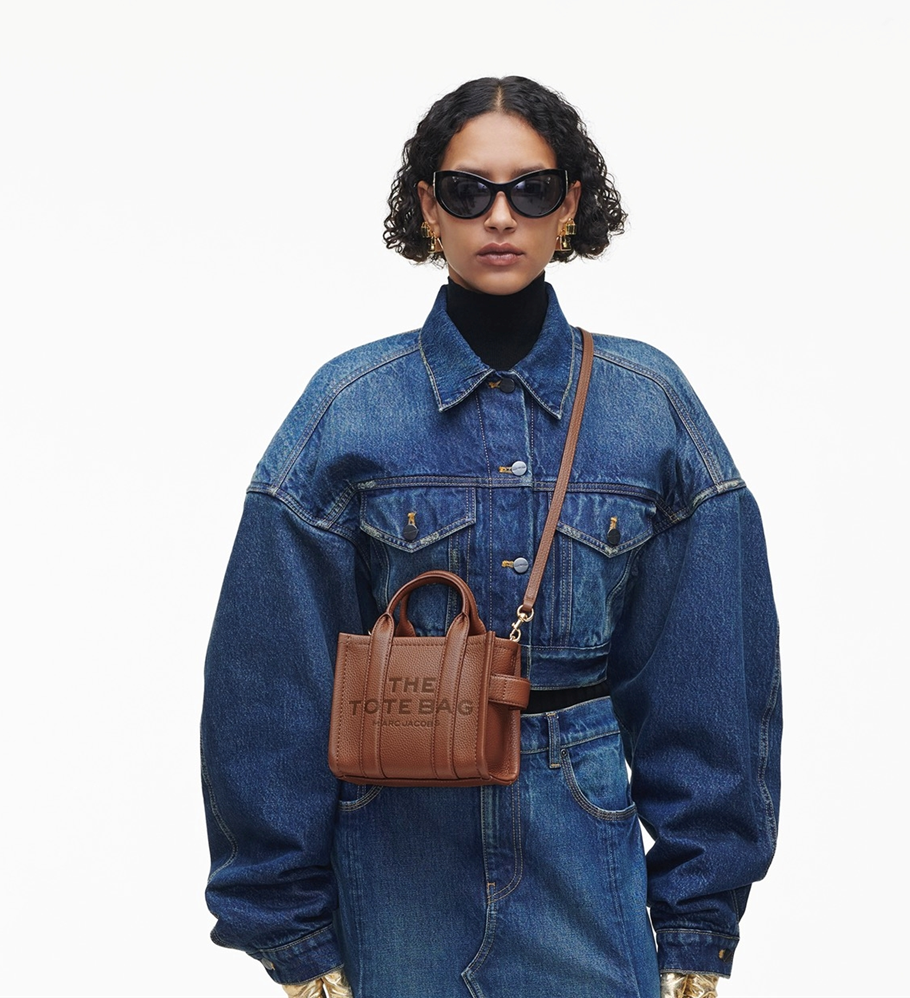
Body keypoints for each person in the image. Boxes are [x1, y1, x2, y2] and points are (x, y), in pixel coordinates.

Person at [201, 75, 782, 998]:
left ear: (571, 206)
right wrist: (291, 929)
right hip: (396, 856)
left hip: (582, 850)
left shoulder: (648, 407)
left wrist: (697, 923)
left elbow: (709, 684)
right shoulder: (348, 406)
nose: (500, 216)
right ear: (429, 208)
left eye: (532, 190)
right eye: (468, 191)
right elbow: (270, 681)